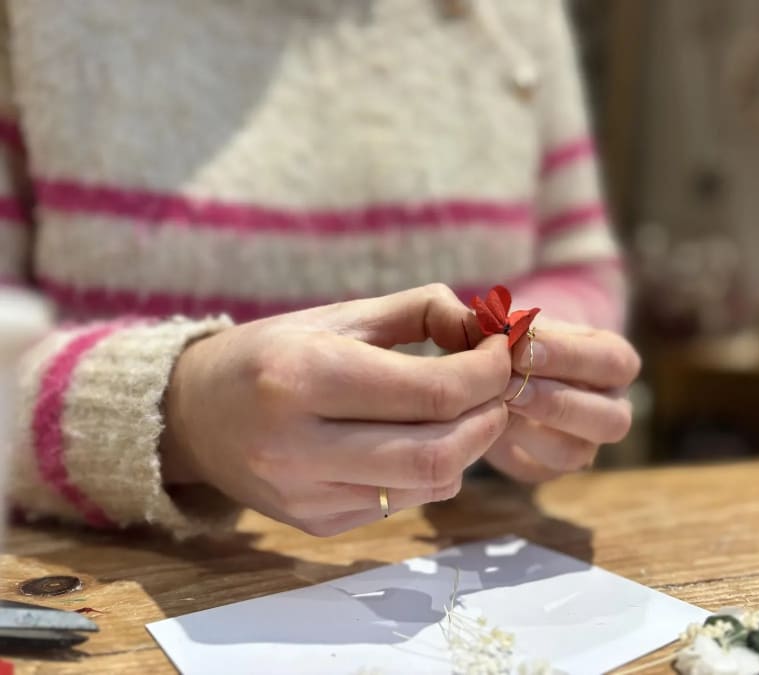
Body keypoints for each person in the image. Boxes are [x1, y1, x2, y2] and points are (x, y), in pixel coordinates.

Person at [0, 0, 639, 539]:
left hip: (465, 563)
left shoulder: (513, 14)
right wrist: (181, 413)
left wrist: (543, 367)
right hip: (115, 584)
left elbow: (577, 265)